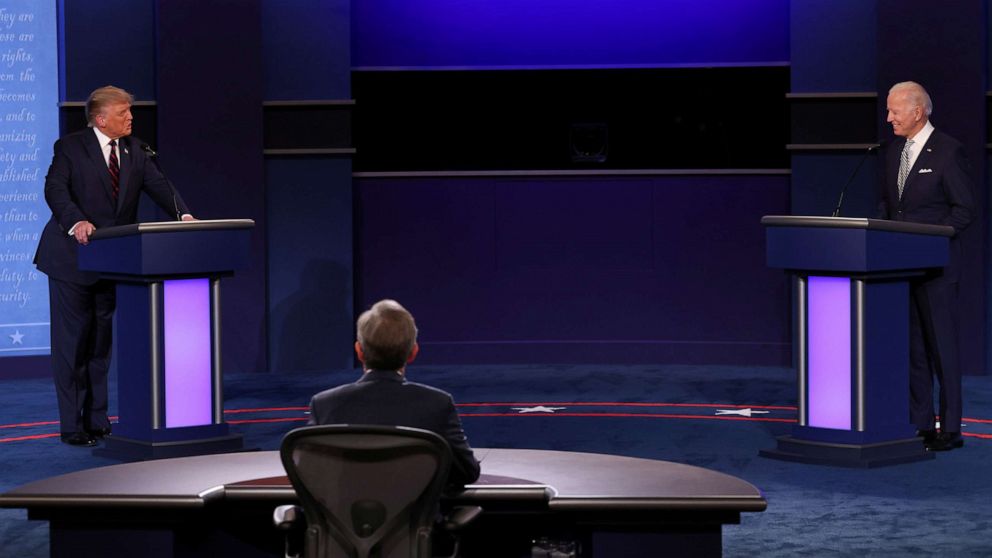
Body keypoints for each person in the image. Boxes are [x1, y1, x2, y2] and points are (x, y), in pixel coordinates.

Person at [34, 85, 194, 446]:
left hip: (112, 260)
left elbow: (159, 185)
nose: (131, 118)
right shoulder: (71, 147)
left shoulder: (136, 150)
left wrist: (183, 214)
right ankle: (72, 425)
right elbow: (55, 189)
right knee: (72, 344)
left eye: (130, 112)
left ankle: (97, 418)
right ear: (101, 118)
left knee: (99, 345)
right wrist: (77, 222)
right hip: (70, 258)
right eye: (124, 113)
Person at [876, 81, 975, 452]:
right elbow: (888, 206)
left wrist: (928, 238)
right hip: (902, 268)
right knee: (914, 350)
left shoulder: (949, 152)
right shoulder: (892, 152)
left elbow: (965, 209)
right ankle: (921, 423)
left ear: (917, 112)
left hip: (938, 270)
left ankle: (950, 428)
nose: (889, 119)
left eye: (894, 112)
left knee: (942, 349)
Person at [308, 299, 481, 486]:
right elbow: (466, 472)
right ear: (413, 352)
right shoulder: (437, 404)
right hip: (415, 515)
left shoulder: (324, 404)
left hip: (341, 514)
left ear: (359, 351)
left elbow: (309, 473)